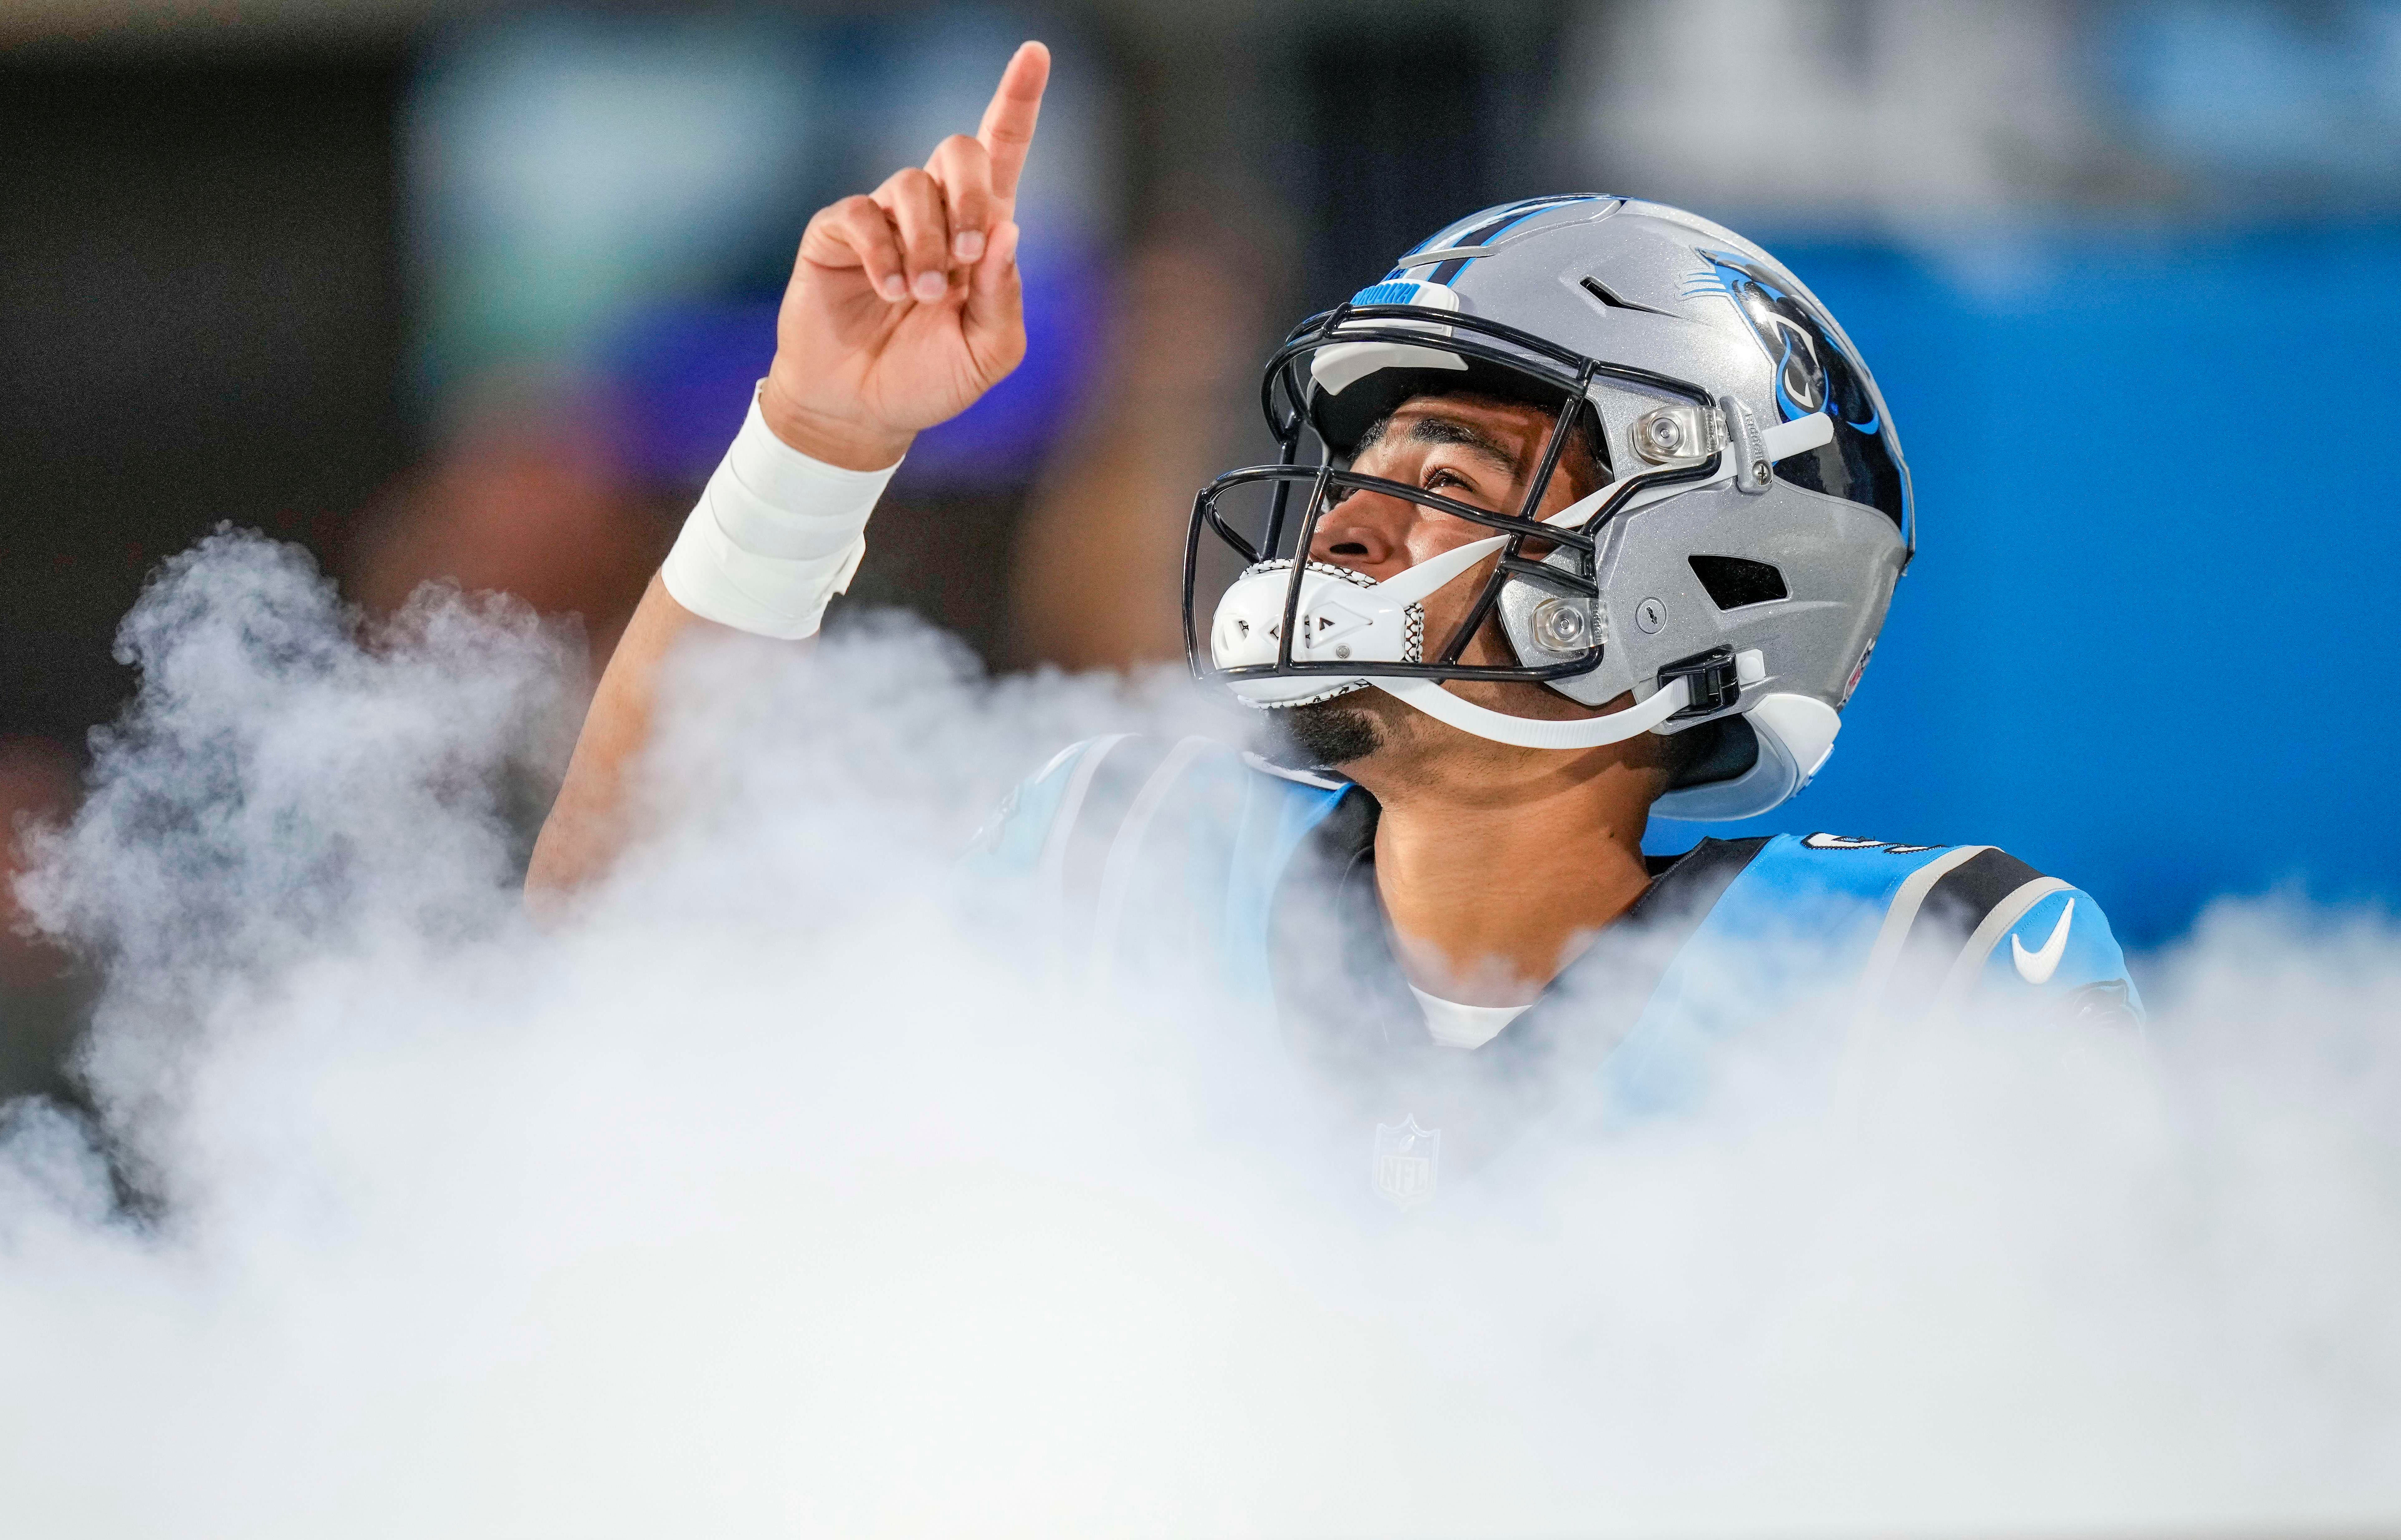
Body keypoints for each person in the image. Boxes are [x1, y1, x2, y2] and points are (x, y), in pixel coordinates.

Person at [526, 42, 2140, 1207]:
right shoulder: (1119, 855)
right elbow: (609, 982)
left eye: (1448, 472)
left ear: (1704, 564)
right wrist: (814, 444)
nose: (1351, 519)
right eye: (1354, 467)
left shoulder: (1917, 984)